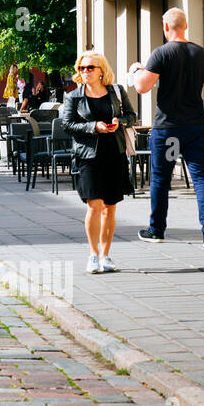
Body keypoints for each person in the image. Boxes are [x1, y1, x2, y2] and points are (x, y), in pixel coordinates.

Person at [129, 8, 204, 247]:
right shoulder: (203, 54)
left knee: (161, 178)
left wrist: (136, 70)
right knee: (201, 176)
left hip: (168, 130)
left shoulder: (161, 53)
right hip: (194, 128)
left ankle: (157, 230)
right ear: (185, 26)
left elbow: (142, 87)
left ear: (166, 27)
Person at [61, 51, 137, 274]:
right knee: (94, 205)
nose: (84, 72)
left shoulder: (117, 91)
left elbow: (132, 116)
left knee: (110, 208)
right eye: (82, 68)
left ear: (101, 70)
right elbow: (67, 125)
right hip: (88, 156)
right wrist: (93, 127)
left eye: (89, 68)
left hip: (114, 152)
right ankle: (93, 255)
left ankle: (106, 255)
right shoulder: (74, 96)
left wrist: (119, 122)